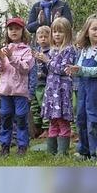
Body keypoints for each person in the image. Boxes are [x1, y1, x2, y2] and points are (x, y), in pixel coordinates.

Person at [68, 14, 97, 161]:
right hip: (83, 89)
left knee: (96, 118)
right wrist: (73, 70)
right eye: (94, 29)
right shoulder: (84, 49)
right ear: (87, 32)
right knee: (81, 117)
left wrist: (80, 70)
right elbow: (79, 67)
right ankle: (84, 150)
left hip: (96, 89)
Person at [36, 17, 77, 155]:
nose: (57, 35)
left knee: (62, 120)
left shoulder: (69, 49)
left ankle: (62, 152)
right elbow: (48, 71)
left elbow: (62, 69)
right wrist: (41, 62)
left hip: (62, 90)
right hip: (51, 89)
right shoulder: (52, 50)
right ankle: (51, 150)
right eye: (54, 31)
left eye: (61, 32)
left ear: (68, 34)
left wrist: (47, 61)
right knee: (53, 120)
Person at [0, 17, 35, 157]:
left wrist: (11, 57)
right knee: (5, 117)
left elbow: (25, 68)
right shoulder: (4, 49)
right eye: (11, 29)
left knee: (21, 118)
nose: (13, 31)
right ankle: (4, 146)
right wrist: (0, 58)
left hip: (20, 91)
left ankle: (22, 146)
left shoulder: (27, 50)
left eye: (17, 29)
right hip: (5, 91)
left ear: (23, 31)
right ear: (7, 32)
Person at [30, 25, 51, 138]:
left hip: (46, 83)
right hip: (35, 83)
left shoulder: (51, 52)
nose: (43, 39)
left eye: (46, 36)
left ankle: (47, 128)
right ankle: (37, 128)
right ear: (37, 39)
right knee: (35, 106)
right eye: (40, 37)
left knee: (45, 106)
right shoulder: (35, 52)